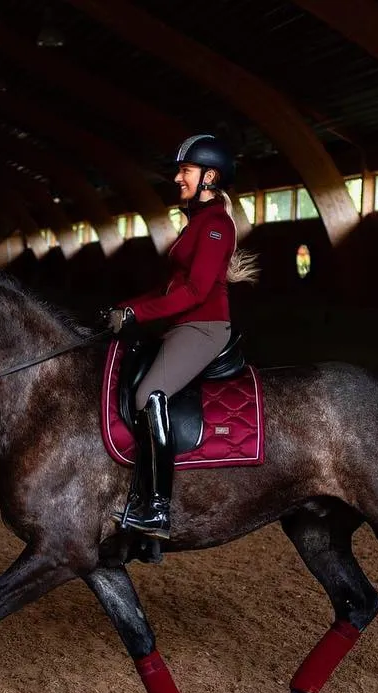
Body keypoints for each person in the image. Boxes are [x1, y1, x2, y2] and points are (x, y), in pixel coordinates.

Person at [108, 133, 258, 540]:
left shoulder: (215, 226)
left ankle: (157, 508)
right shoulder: (197, 221)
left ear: (209, 177)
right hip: (183, 324)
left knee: (147, 396)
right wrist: (127, 307)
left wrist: (139, 313)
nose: (178, 178)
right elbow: (171, 289)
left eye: (185, 171)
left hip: (204, 328)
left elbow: (197, 292)